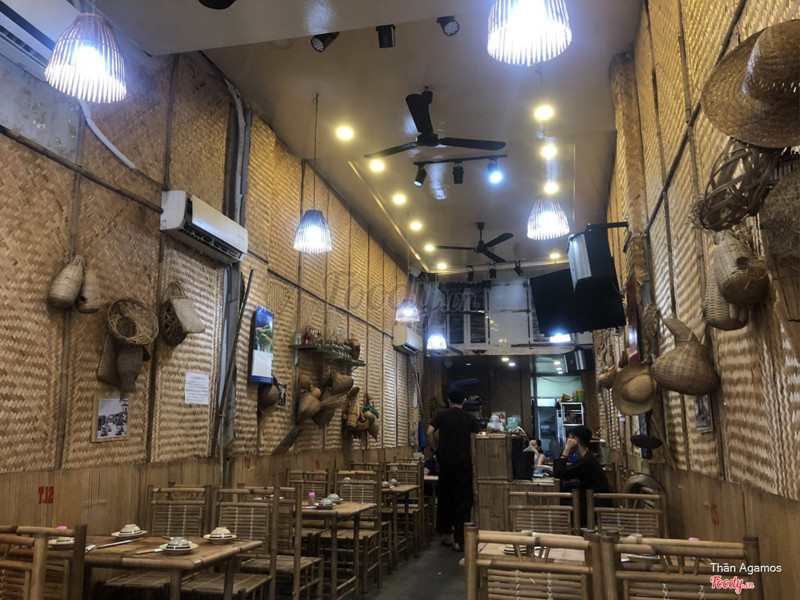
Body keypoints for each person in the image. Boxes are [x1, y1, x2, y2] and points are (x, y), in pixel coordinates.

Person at [426, 388, 480, 552]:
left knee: (445, 498)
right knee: (463, 501)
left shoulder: (441, 415)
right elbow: (476, 441)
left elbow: (429, 432)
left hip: (445, 463)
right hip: (464, 464)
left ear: (449, 401)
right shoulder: (470, 418)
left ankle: (447, 536)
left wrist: (435, 448)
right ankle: (459, 540)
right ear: (464, 401)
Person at [553, 426, 611, 526]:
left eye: (569, 439)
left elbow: (558, 473)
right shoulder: (588, 457)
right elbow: (563, 471)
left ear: (575, 440)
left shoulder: (587, 460)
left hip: (595, 508)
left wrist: (566, 450)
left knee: (564, 511)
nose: (567, 442)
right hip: (593, 502)